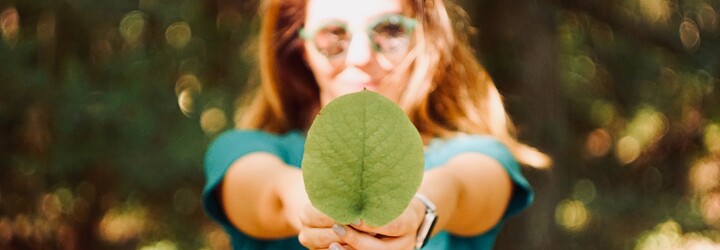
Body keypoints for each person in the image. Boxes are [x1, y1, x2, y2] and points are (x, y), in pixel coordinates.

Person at [202, 0, 551, 249]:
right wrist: (313, 209)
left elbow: (461, 187)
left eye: (389, 30)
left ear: (424, 39)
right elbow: (270, 192)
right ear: (301, 48)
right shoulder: (242, 150)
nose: (360, 56)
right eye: (333, 34)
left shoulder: (477, 154)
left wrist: (418, 213)